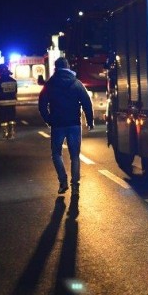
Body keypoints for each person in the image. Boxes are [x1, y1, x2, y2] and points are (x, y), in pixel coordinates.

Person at [38, 57, 94, 194]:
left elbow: (42, 105)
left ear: (56, 68)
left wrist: (48, 119)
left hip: (57, 125)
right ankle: (75, 185)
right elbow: (87, 103)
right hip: (74, 124)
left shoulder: (50, 84)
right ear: (68, 66)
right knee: (75, 156)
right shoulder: (76, 83)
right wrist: (90, 121)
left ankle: (63, 182)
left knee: (56, 154)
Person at [0, 63, 18, 139]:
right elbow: (15, 92)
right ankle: (12, 133)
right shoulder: (14, 81)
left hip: (2, 103)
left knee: (3, 118)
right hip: (12, 102)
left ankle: (5, 133)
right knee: (12, 118)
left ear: (1, 72)